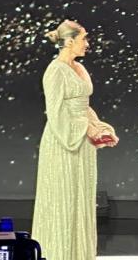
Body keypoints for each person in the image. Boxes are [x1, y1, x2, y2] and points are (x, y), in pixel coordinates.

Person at [32, 20, 118, 260]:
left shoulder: (79, 68)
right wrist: (85, 129)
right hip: (64, 141)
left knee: (81, 199)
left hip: (83, 143)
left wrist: (99, 128)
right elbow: (57, 112)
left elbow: (83, 107)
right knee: (63, 199)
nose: (87, 44)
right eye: (84, 39)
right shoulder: (55, 70)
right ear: (69, 42)